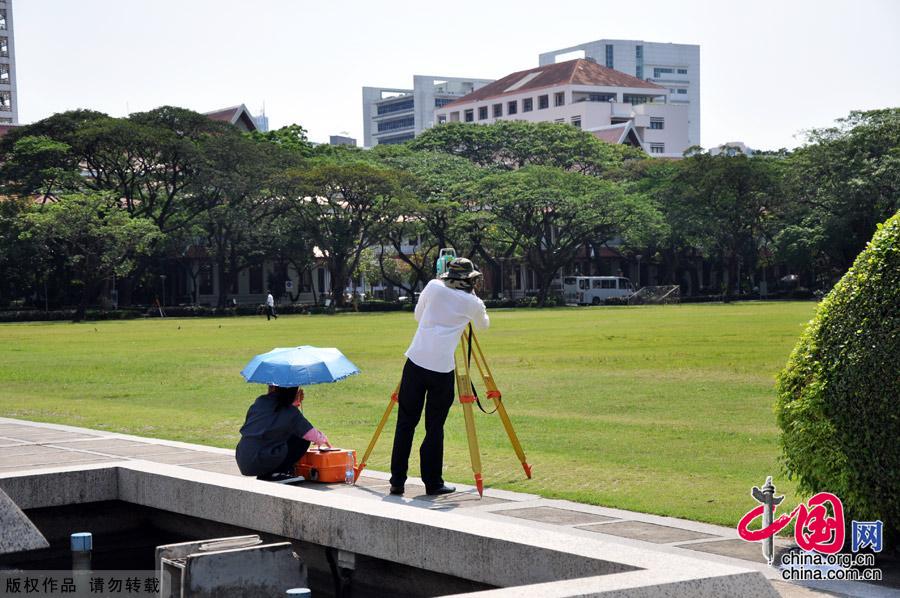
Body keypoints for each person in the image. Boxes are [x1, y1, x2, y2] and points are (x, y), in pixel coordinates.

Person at [390, 258, 489, 496]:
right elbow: (483, 326)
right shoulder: (473, 302)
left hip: (415, 362)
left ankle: (397, 481)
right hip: (442, 370)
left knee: (405, 422)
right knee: (434, 427)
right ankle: (433, 482)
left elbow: (417, 316)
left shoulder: (434, 286)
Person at [236, 385, 330, 482]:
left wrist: (293, 402)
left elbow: (275, 417)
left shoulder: (260, 402)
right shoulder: (291, 412)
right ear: (292, 393)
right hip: (261, 460)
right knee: (301, 439)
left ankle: (267, 474)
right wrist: (323, 439)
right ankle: (277, 472)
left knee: (275, 437)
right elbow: (310, 433)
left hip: (243, 457)